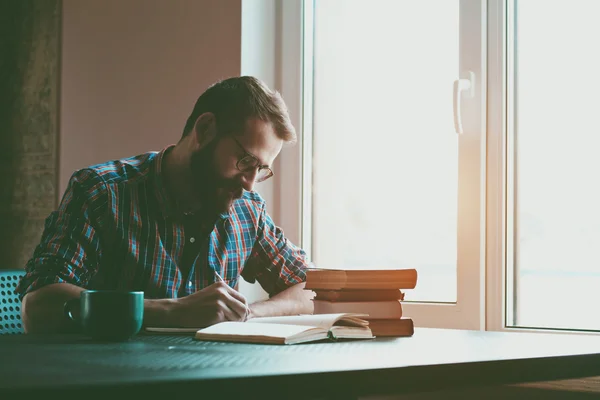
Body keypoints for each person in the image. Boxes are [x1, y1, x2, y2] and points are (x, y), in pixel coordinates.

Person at [16, 76, 314, 334]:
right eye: (246, 161)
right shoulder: (102, 193)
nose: (250, 182)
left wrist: (247, 313)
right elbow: (38, 306)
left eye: (261, 170)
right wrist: (172, 311)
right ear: (205, 129)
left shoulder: (248, 210)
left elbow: (312, 288)